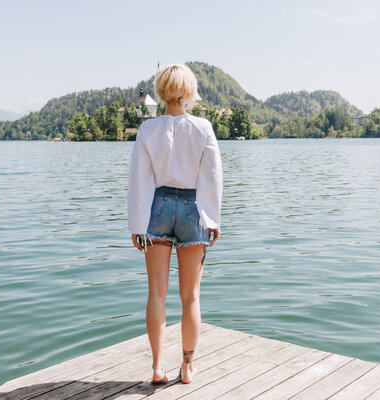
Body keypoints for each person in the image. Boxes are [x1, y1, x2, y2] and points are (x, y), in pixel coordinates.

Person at [127, 63, 223, 385]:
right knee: (191, 296)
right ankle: (187, 366)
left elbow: (140, 181)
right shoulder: (203, 128)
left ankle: (157, 367)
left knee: (156, 293)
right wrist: (212, 218)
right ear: (189, 91)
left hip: (158, 205)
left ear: (162, 90)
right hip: (193, 207)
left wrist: (137, 224)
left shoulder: (147, 130)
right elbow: (212, 178)